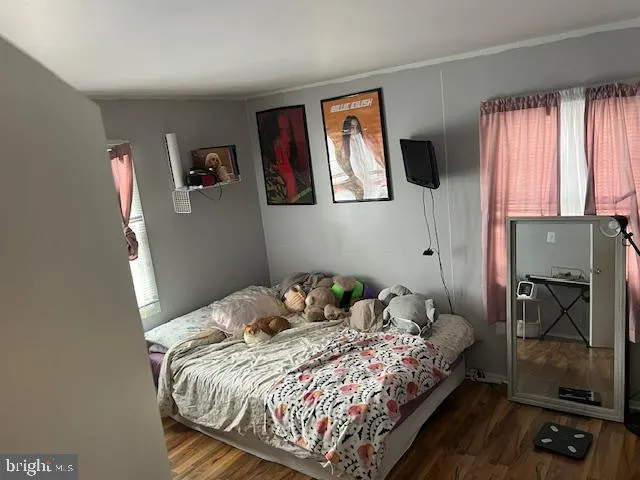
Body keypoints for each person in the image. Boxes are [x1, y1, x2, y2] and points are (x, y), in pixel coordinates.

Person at [260, 111, 313, 204]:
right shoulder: (267, 181)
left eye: (289, 133)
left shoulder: (295, 171)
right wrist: (290, 181)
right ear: (269, 139)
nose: (288, 139)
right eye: (280, 135)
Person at [340, 115, 387, 200]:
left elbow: (374, 158)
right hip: (359, 180)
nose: (355, 129)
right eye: (352, 127)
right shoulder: (345, 146)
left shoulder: (366, 139)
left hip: (373, 178)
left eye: (357, 126)